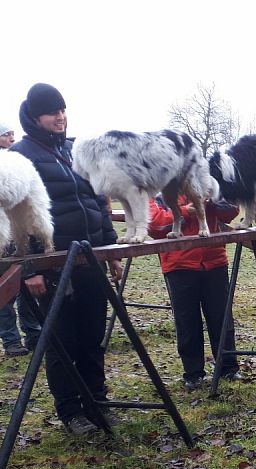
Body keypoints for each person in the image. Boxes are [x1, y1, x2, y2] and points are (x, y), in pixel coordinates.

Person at [10, 83, 124, 435]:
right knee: (61, 341)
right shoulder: (19, 156)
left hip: (89, 259)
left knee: (92, 335)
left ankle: (97, 400)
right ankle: (71, 411)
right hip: (51, 263)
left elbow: (97, 202)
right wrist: (29, 268)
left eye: (62, 110)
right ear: (34, 116)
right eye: (51, 111)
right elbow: (16, 214)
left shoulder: (77, 151)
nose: (60, 117)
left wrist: (111, 250)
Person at [148, 194, 242, 390]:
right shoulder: (161, 194)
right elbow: (156, 226)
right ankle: (193, 373)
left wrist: (213, 198)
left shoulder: (208, 186)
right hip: (179, 266)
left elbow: (231, 212)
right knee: (187, 321)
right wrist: (186, 211)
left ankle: (228, 367)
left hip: (214, 261)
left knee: (221, 317)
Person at [0, 121, 43, 357]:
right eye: (7, 134)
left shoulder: (19, 165)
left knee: (27, 290)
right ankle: (11, 340)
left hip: (20, 239)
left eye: (12, 134)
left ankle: (34, 333)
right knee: (4, 295)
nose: (11, 138)